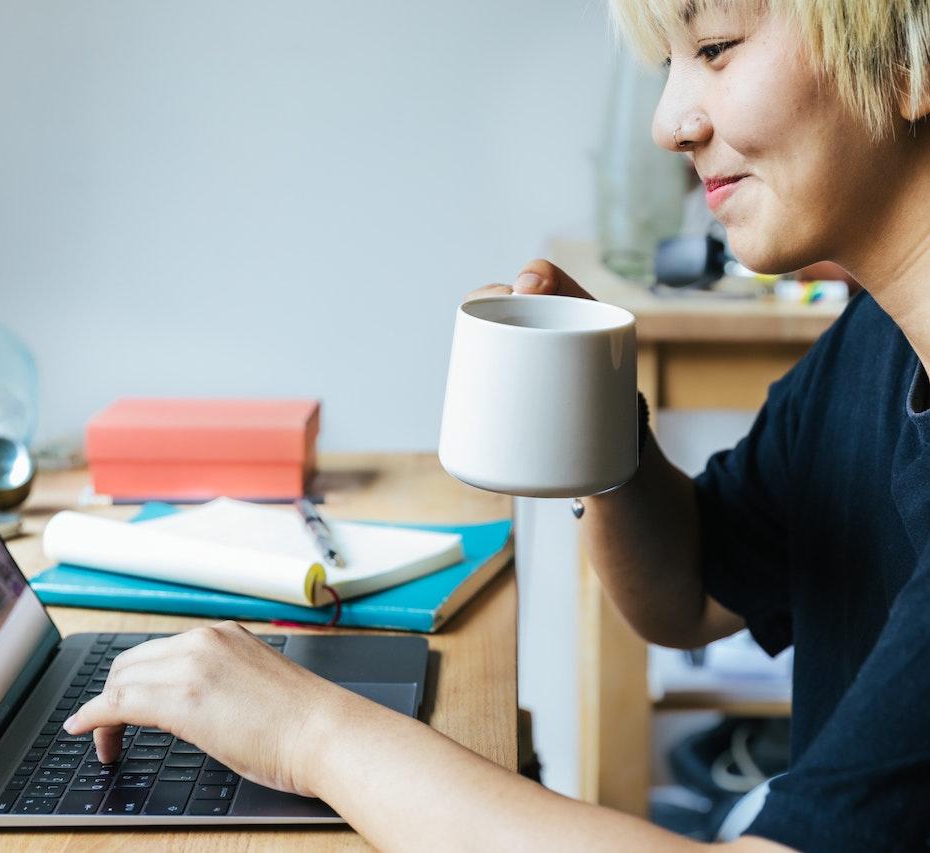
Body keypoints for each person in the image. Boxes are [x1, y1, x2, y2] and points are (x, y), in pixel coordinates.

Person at [64, 0, 930, 848]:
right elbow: (690, 590)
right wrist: (599, 415)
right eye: (670, 64)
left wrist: (309, 733)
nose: (669, 124)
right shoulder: (874, 343)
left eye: (715, 47)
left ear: (907, 59)